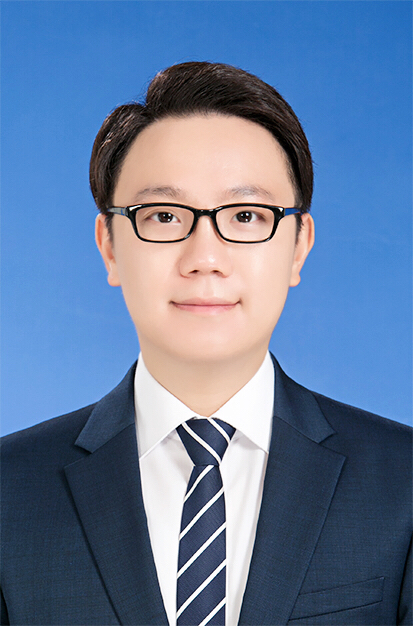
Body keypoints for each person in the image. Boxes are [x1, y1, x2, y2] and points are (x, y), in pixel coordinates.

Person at [1, 62, 411, 626]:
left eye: (245, 215)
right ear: (110, 247)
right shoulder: (9, 492)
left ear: (298, 246)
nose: (205, 257)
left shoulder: (402, 483)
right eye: (164, 215)